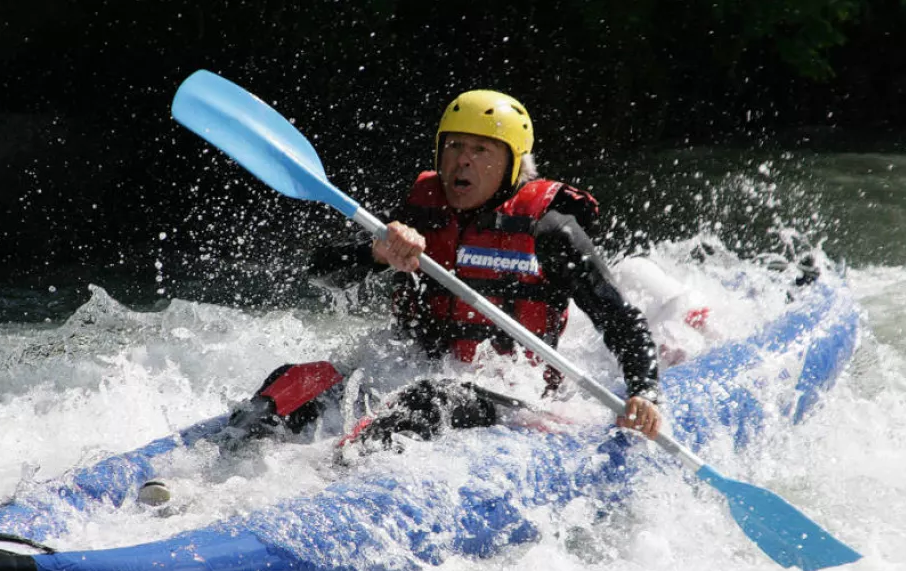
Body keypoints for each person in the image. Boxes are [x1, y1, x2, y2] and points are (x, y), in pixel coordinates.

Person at [220, 90, 664, 456]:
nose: (462, 162)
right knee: (297, 379)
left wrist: (644, 390)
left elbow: (620, 319)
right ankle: (212, 468)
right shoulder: (420, 213)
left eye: (480, 150)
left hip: (512, 394)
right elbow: (321, 274)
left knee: (430, 398)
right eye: (454, 146)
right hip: (410, 369)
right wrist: (377, 253)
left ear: (512, 163)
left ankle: (331, 476)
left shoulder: (551, 230)